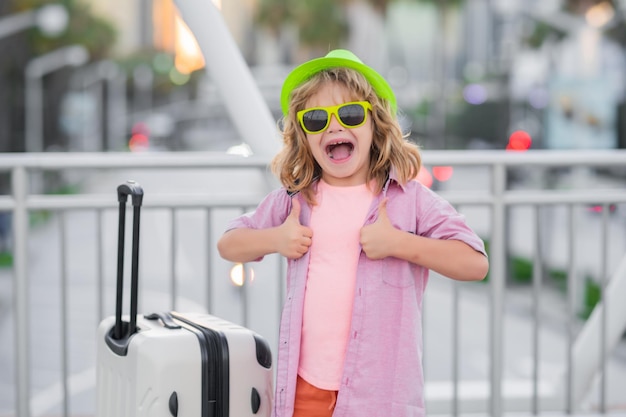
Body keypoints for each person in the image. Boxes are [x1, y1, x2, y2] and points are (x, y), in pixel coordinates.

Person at [217, 49, 489, 417]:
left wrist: (399, 243)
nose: (334, 127)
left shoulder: (410, 200)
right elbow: (229, 244)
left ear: (375, 124)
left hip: (380, 396)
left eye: (350, 114)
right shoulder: (296, 201)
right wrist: (276, 239)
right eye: (316, 119)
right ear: (303, 135)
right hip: (306, 389)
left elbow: (475, 263)